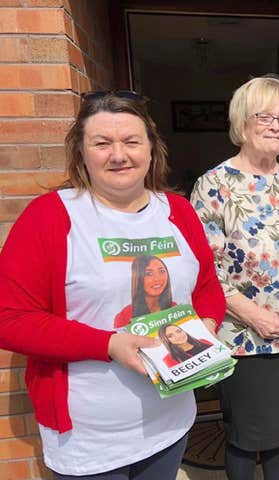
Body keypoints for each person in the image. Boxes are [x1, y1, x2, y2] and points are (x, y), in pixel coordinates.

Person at [0, 90, 226, 479]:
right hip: (91, 441)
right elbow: (9, 318)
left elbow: (207, 286)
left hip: (170, 422)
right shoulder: (51, 216)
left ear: (151, 150)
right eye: (102, 143)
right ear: (81, 153)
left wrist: (206, 325)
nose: (118, 155)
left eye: (131, 142)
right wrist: (108, 344)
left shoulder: (178, 212)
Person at [190, 74, 279, 480]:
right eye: (265, 116)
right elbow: (204, 271)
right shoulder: (214, 185)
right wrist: (254, 316)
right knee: (246, 436)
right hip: (245, 338)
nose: (276, 126)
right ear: (242, 123)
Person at [113, 255, 176, 328]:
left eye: (161, 271)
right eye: (149, 274)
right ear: (138, 278)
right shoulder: (125, 316)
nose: (157, 279)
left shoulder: (175, 309)